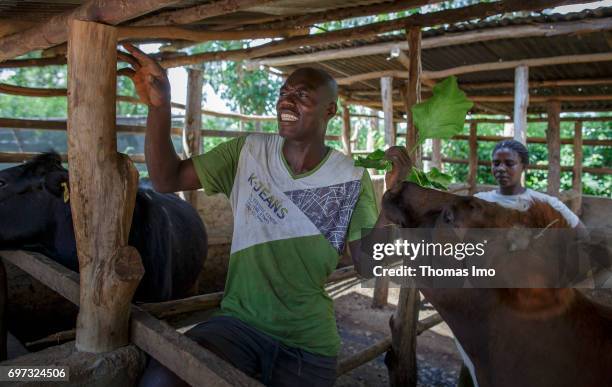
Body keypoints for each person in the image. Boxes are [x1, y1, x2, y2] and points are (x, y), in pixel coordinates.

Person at [118, 43, 411, 387]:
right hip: (238, 326)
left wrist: (392, 200)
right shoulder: (247, 152)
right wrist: (160, 107)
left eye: (301, 95)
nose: (286, 101)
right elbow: (167, 178)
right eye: (284, 93)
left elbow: (366, 264)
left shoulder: (350, 178)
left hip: (308, 343)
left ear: (330, 110)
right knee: (163, 380)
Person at [456, 139, 586, 387]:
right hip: (484, 297)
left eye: (509, 163)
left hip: (526, 300)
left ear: (523, 166)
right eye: (496, 163)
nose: (501, 168)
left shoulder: (545, 204)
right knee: (475, 359)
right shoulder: (479, 202)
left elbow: (582, 236)